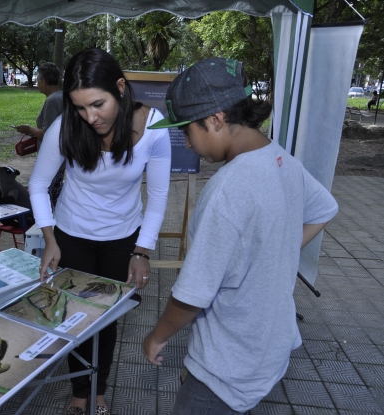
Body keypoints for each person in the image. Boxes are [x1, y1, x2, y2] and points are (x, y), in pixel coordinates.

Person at [142, 58, 339, 414]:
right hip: (268, 346)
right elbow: (325, 207)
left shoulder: (226, 190)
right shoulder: (282, 160)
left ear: (216, 119)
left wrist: (157, 336)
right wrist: (276, 253)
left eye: (187, 130)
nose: (186, 143)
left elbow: (193, 294)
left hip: (225, 368)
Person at [28, 48, 171, 415]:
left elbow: (157, 197)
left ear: (120, 88)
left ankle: (100, 390)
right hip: (71, 234)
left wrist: (142, 251)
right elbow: (38, 185)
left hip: (122, 239)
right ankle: (79, 393)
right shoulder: (65, 127)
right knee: (76, 316)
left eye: (97, 104)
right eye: (79, 107)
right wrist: (49, 240)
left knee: (105, 319)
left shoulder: (154, 127)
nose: (89, 117)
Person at [15, 62, 65, 208]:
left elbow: (47, 134)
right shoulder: (63, 96)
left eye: (37, 80)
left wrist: (28, 129)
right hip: (61, 158)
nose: (37, 84)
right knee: (54, 197)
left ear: (43, 81)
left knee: (46, 201)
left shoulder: (52, 100)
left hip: (51, 160)